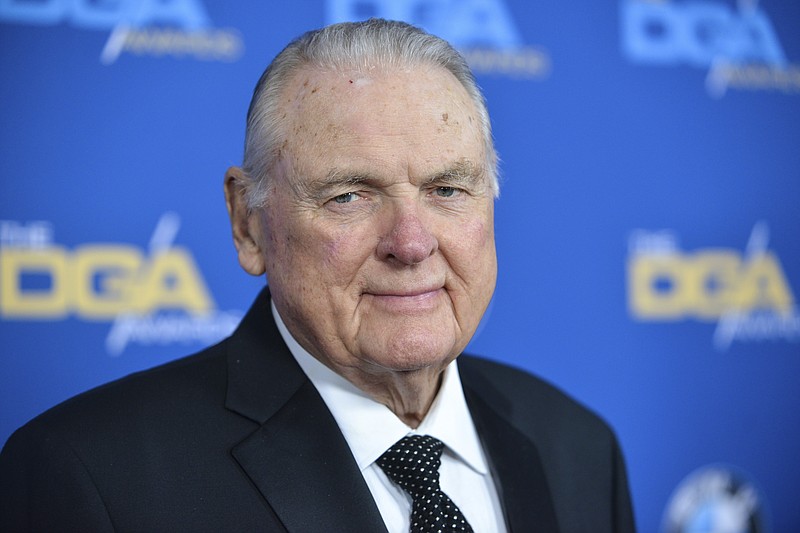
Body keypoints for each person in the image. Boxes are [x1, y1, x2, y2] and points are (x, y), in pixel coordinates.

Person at [0, 19, 635, 532]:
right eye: (349, 197)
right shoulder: (90, 477)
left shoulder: (578, 450)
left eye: (447, 189)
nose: (411, 244)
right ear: (248, 225)